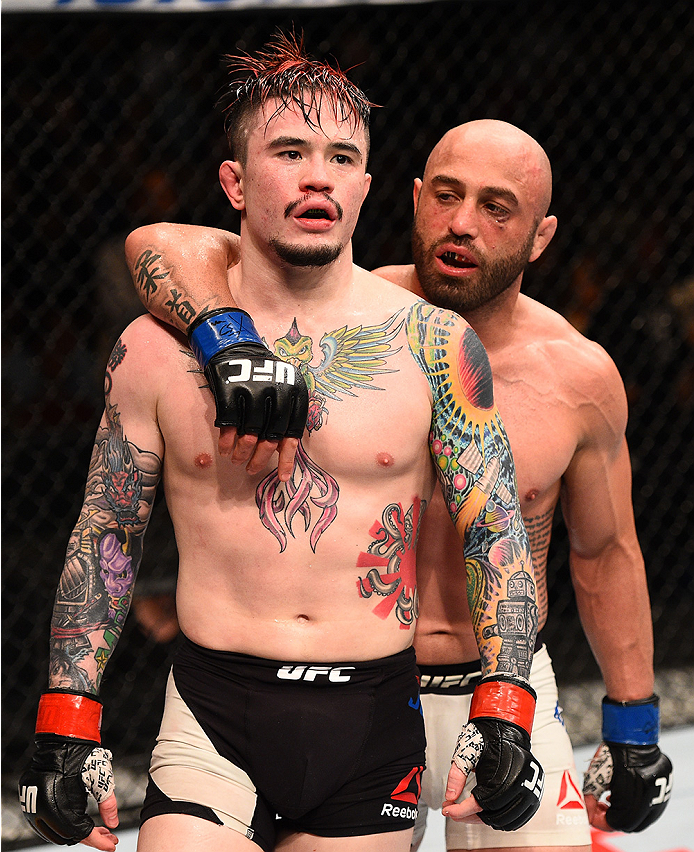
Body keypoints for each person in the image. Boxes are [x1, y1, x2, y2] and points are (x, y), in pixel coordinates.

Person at [18, 37, 545, 852]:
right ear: (234, 181)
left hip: (371, 722)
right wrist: (66, 718)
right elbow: (107, 534)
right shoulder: (157, 352)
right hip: (214, 714)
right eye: (289, 152)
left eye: (341, 157)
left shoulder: (434, 344)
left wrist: (506, 707)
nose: (317, 177)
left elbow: (496, 528)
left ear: (366, 190)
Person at [121, 119, 673, 851]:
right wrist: (224, 331)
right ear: (414, 200)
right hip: (368, 687)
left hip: (500, 683)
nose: (462, 223)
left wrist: (633, 729)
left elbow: (604, 552)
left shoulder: (577, 377)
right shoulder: (343, 314)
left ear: (540, 237)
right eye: (446, 196)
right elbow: (161, 244)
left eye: (496, 207)